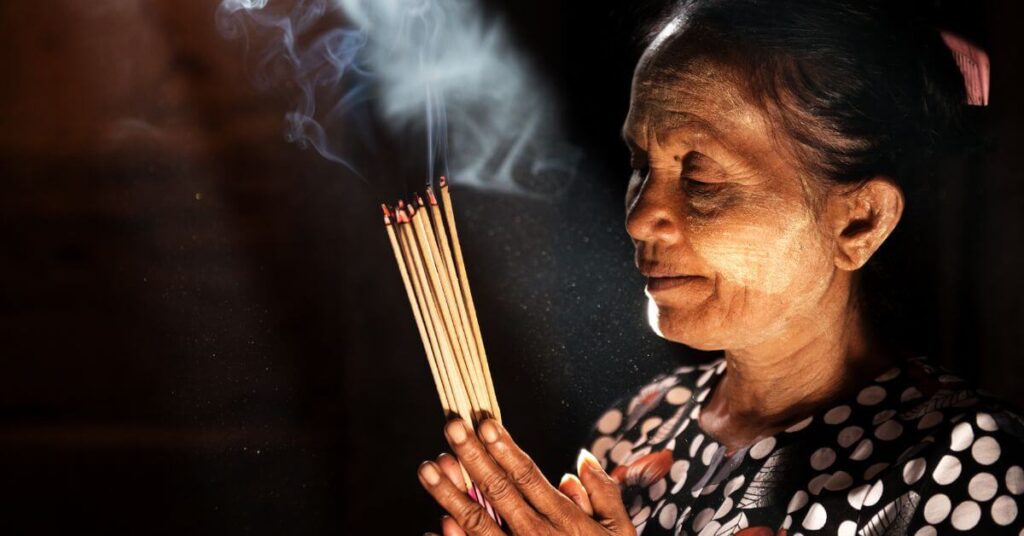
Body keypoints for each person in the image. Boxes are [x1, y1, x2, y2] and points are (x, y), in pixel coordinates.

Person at [416, 0, 1024, 534]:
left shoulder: (960, 461)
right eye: (639, 163)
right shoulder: (639, 422)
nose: (640, 217)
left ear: (858, 220)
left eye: (701, 176)